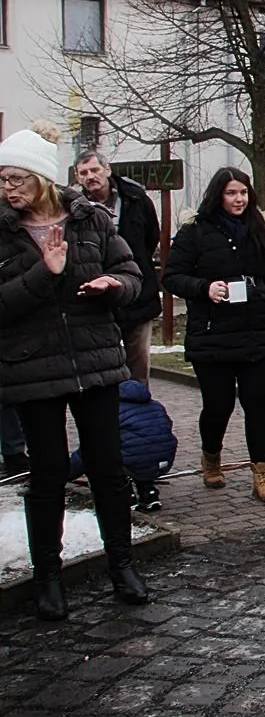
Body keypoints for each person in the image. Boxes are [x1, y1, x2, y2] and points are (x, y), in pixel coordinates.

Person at [0, 120, 152, 619]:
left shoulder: (90, 219)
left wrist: (115, 285)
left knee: (108, 469)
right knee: (46, 474)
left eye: (15, 179)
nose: (6, 189)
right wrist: (47, 272)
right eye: (1, 180)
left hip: (95, 360)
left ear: (42, 179)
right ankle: (49, 577)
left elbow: (133, 274)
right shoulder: (3, 231)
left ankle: (123, 565)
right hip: (32, 368)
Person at [162, 167, 265, 503]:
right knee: (218, 405)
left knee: (258, 403)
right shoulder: (195, 231)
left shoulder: (258, 229)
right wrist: (204, 287)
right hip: (213, 333)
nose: (238, 199)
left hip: (255, 330)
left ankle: (262, 473)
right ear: (218, 195)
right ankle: (211, 457)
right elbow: (172, 277)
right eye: (231, 193)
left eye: (243, 193)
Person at [75, 150, 162, 383]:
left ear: (107, 170)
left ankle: (139, 414)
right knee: (99, 367)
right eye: (84, 173)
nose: (90, 176)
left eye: (95, 170)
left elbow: (150, 236)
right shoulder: (73, 207)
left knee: (138, 364)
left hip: (138, 293)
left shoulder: (135, 199)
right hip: (94, 298)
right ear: (77, 177)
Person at [70, 379, 177, 513]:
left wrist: (66, 474)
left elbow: (90, 447)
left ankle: (127, 496)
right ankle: (149, 492)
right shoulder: (156, 405)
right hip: (163, 460)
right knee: (140, 455)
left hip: (131, 462)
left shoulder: (111, 409)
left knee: (111, 455)